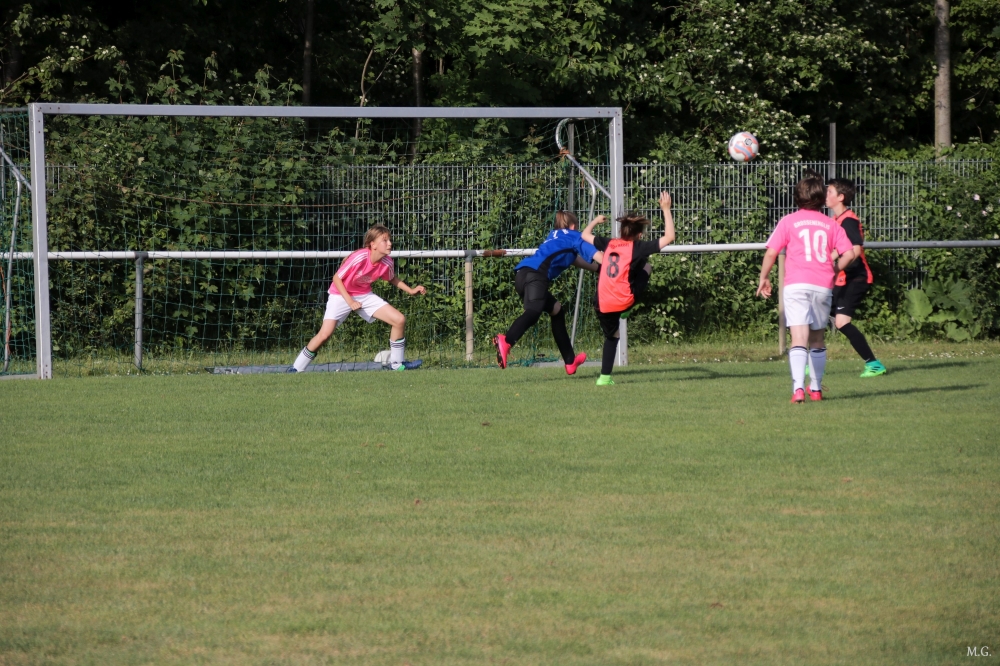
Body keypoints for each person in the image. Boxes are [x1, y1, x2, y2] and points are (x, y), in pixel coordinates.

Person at [756, 171, 856, 402]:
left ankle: (798, 389)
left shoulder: (789, 221)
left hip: (796, 284)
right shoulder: (830, 224)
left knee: (798, 338)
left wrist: (764, 277)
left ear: (797, 197)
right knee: (817, 338)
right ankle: (816, 389)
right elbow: (850, 253)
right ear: (822, 199)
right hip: (822, 286)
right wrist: (834, 271)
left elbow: (771, 252)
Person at [289, 224, 425, 372]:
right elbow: (336, 278)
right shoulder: (359, 257)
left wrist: (411, 290)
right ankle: (296, 368)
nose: (390, 243)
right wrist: (350, 301)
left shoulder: (387, 262)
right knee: (324, 335)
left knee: (399, 320)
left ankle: (397, 365)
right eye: (385, 240)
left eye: (389, 240)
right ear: (372, 244)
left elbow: (391, 278)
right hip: (340, 294)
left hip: (364, 295)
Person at [581, 191, 676, 386]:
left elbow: (584, 235)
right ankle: (626, 309)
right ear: (639, 235)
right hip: (623, 300)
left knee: (612, 336)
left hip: (601, 303)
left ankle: (604, 378)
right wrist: (666, 209)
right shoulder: (638, 247)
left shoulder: (609, 243)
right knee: (647, 267)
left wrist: (596, 221)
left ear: (621, 232)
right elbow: (670, 237)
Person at [493, 211, 602, 374]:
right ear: (573, 227)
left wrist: (598, 269)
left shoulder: (554, 236)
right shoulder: (575, 236)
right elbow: (598, 256)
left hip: (522, 275)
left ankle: (570, 361)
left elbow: (575, 260)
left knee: (556, 310)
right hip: (536, 277)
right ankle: (507, 340)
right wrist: (614, 264)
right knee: (533, 312)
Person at [826, 178, 887, 377]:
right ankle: (810, 360)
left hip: (855, 278)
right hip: (842, 278)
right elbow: (838, 248)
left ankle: (874, 364)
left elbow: (855, 250)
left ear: (840, 197)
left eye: (830, 192)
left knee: (841, 322)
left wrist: (831, 266)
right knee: (817, 314)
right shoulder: (836, 220)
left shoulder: (849, 220)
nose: (826, 195)